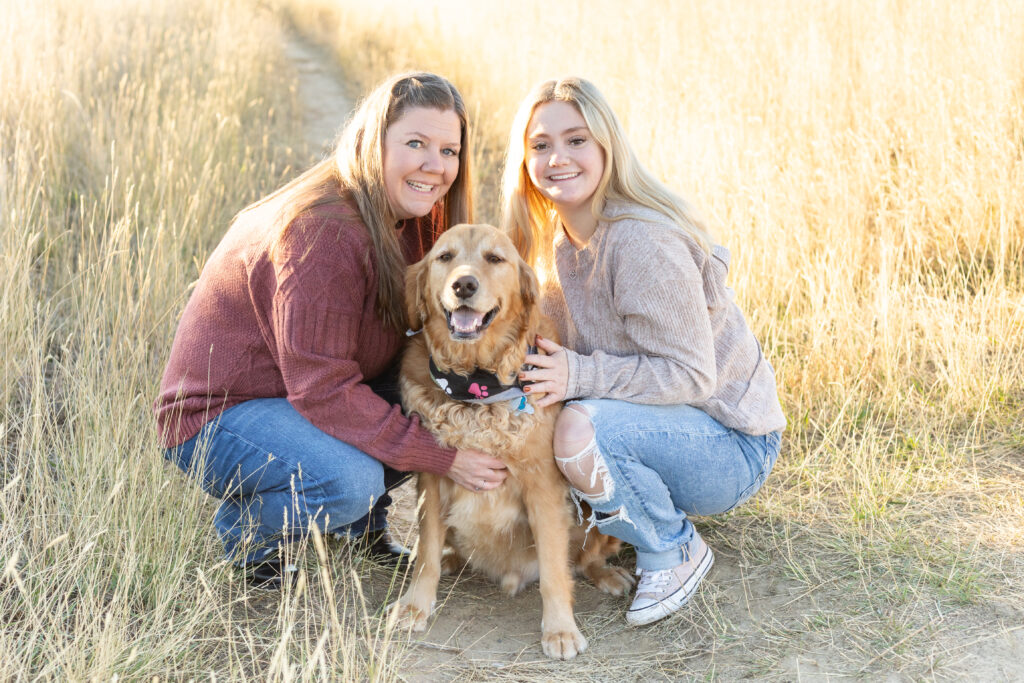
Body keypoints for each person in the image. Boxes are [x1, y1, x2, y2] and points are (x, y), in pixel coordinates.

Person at [155, 72, 509, 589]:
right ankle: (248, 533)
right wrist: (443, 455)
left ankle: (361, 528)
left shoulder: (416, 218)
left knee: (440, 394)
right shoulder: (322, 231)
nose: (436, 166)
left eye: (449, 150)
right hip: (219, 416)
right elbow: (322, 389)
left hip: (296, 397)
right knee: (349, 481)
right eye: (416, 144)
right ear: (374, 142)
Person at [501, 77, 786, 626]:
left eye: (576, 140)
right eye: (540, 145)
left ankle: (673, 548)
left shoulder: (640, 242)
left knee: (579, 428)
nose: (557, 158)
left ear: (607, 146)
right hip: (665, 430)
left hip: (728, 444)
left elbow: (691, 376)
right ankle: (636, 507)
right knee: (556, 415)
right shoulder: (562, 244)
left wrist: (577, 374)